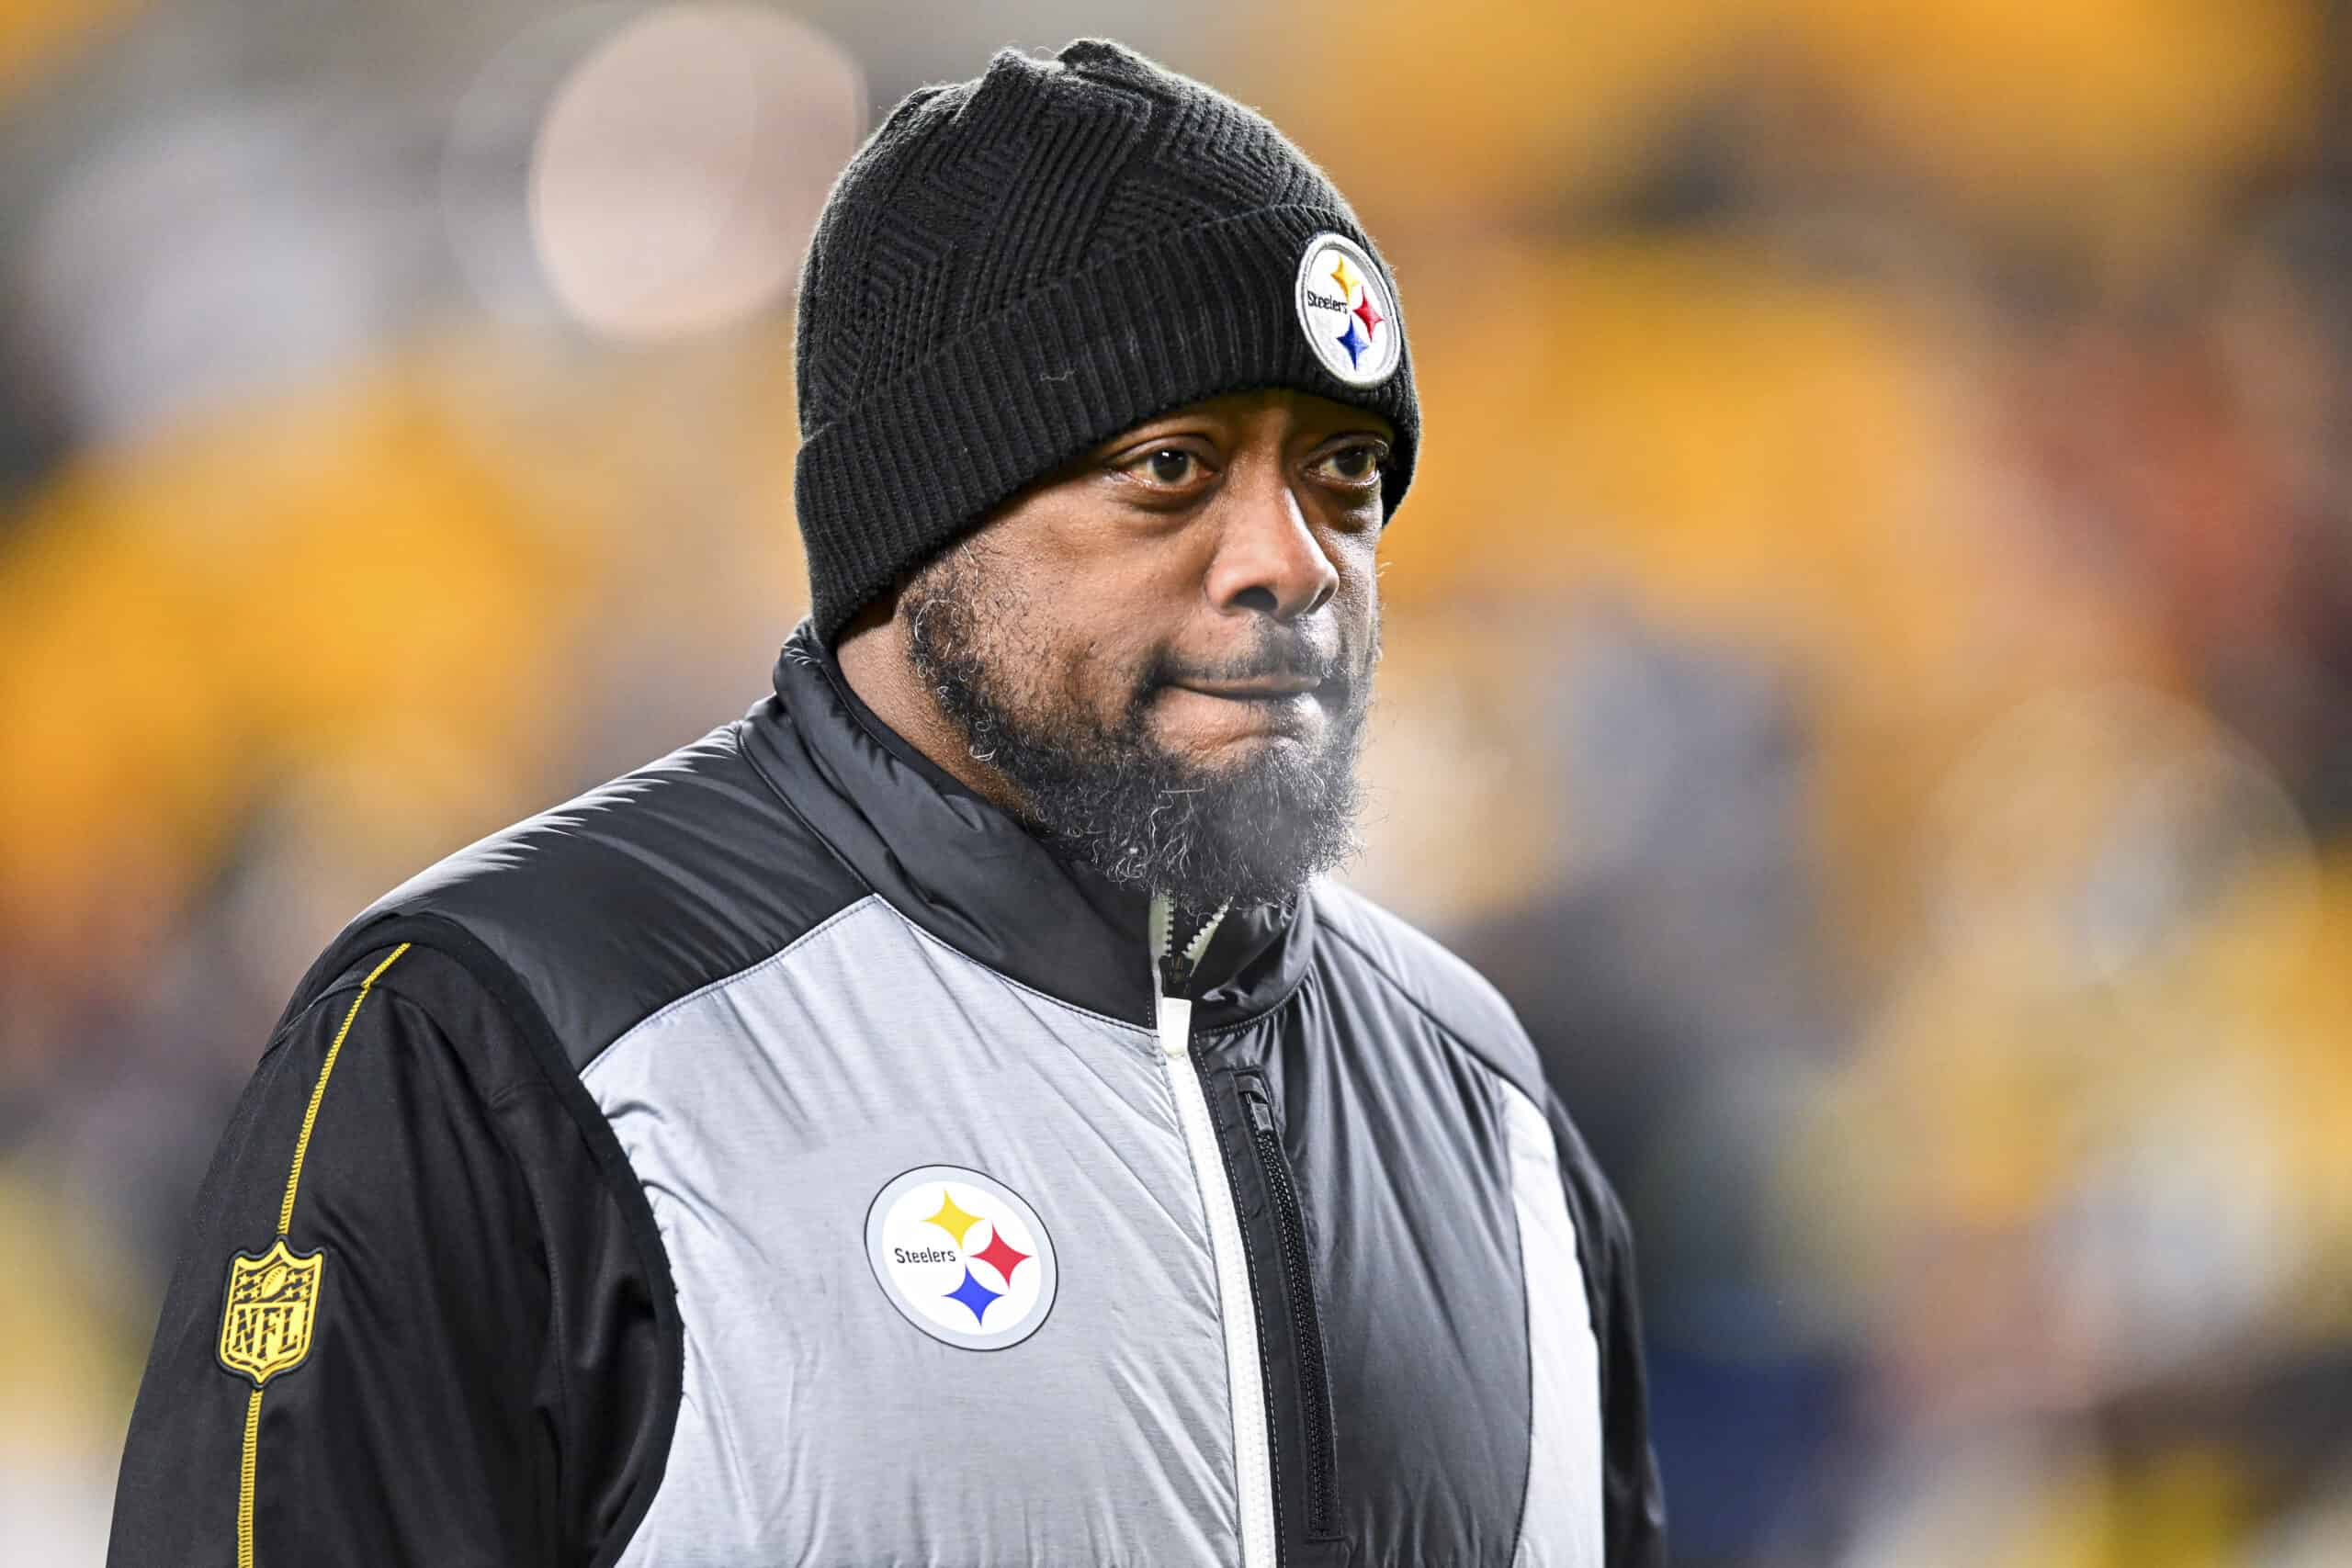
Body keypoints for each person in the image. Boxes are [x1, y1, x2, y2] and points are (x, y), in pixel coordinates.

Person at [107, 37, 1666, 1568]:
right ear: (921, 525)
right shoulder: (502, 1036)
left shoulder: (1492, 1110)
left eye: (1340, 473)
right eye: (1172, 467)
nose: (1294, 561)